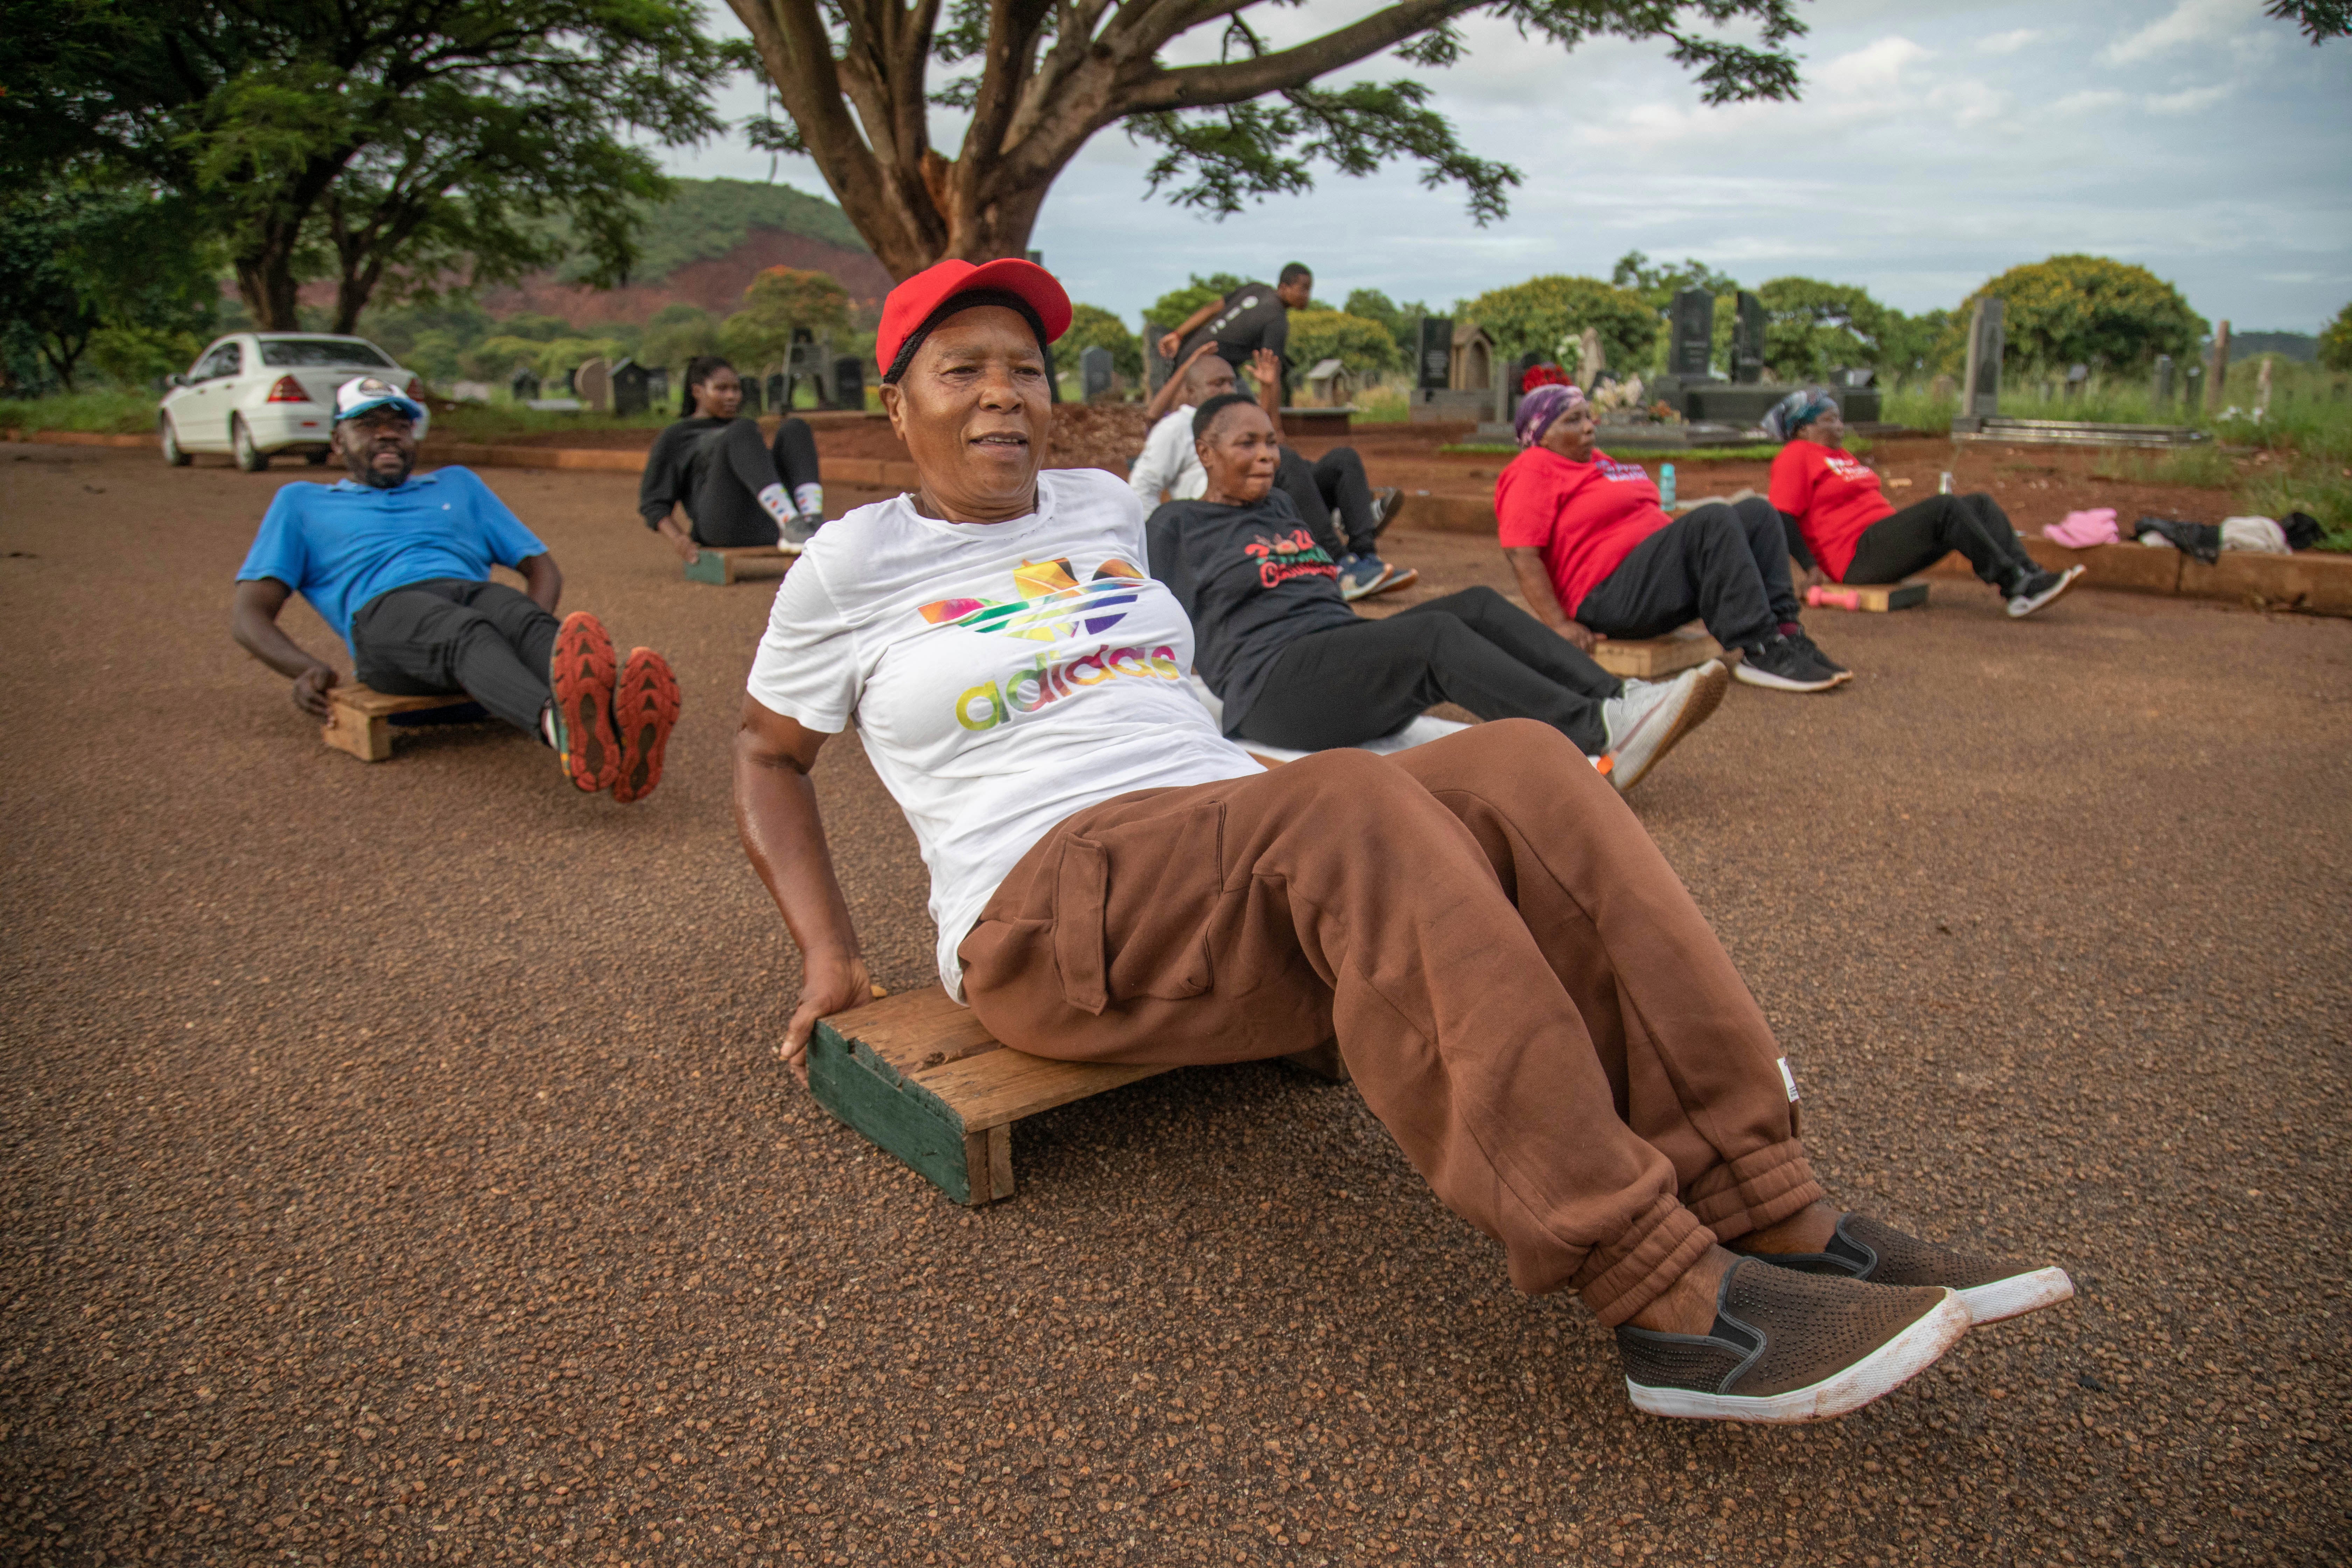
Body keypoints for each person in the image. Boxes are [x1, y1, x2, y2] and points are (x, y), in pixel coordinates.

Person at [733, 259, 2073, 1425]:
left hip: (1214, 827)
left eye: (1022, 369)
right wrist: (826, 958)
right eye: (958, 370)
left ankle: (1760, 1192)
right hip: (1043, 906)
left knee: (1525, 762)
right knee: (1350, 796)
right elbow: (765, 756)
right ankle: (1665, 1299)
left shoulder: (1099, 509)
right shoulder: (849, 567)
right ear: (892, 403)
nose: (1001, 395)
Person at [1150, 391, 1727, 793]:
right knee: (1433, 638)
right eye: (1247, 444)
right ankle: (1595, 732)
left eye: (1271, 443)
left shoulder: (1279, 504)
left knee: (1473, 604)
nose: (1267, 457)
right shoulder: (1177, 526)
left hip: (1337, 651)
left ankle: (1620, 698)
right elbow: (1156, 624)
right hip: (1269, 690)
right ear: (1205, 452)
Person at [233, 376, 681, 802]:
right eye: (368, 425)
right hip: (385, 619)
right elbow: (249, 614)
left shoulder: (457, 485)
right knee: (466, 630)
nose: (388, 435)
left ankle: (617, 731)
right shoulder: (302, 502)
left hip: (467, 592)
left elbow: (541, 567)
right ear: (337, 441)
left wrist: (527, 633)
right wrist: (303, 669)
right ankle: (561, 728)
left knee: (516, 614)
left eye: (400, 425)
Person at [1497, 383, 1849, 693]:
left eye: (1588, 416)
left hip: (1654, 583)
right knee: (1713, 517)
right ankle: (1758, 649)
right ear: (1541, 435)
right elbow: (1521, 554)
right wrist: (1559, 624)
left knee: (1758, 512)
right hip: (1610, 598)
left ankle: (1786, 633)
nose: (1589, 427)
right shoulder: (1532, 468)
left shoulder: (1599, 462)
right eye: (1573, 420)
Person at [1763, 387, 2084, 618]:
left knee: (1980, 504)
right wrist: (1811, 569)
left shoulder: (1839, 455)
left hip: (1882, 539)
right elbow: (1783, 516)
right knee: (1945, 508)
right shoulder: (1796, 456)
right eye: (1830, 420)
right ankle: (2014, 585)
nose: (1840, 426)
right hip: (1855, 555)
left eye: (1839, 419)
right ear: (1804, 428)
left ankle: (2029, 574)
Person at [1133, 340, 1413, 599]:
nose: (1227, 390)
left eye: (1231, 383)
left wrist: (1269, 388)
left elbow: (1277, 438)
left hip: (1275, 500)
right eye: (1217, 384)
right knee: (1289, 462)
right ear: (1191, 391)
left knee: (1342, 459)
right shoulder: (1176, 428)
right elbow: (1143, 486)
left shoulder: (1241, 415)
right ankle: (1338, 566)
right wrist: (1167, 539)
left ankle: (1365, 557)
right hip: (1224, 514)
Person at [638, 356, 827, 560]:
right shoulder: (677, 435)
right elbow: (653, 503)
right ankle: (791, 522)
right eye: (721, 389)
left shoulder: (745, 431)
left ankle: (810, 522)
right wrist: (678, 538)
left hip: (769, 525)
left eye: (736, 389)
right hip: (723, 527)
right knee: (742, 429)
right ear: (697, 392)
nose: (732, 396)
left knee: (796, 428)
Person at [1154, 265, 1314, 402]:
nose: (1308, 297)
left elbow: (1212, 309)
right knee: (1247, 413)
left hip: (1187, 354)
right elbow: (1272, 372)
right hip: (1210, 370)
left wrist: (1177, 335)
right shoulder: (1277, 318)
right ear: (1284, 288)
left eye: (1309, 290)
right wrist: (1275, 425)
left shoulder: (1256, 289)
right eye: (1303, 290)